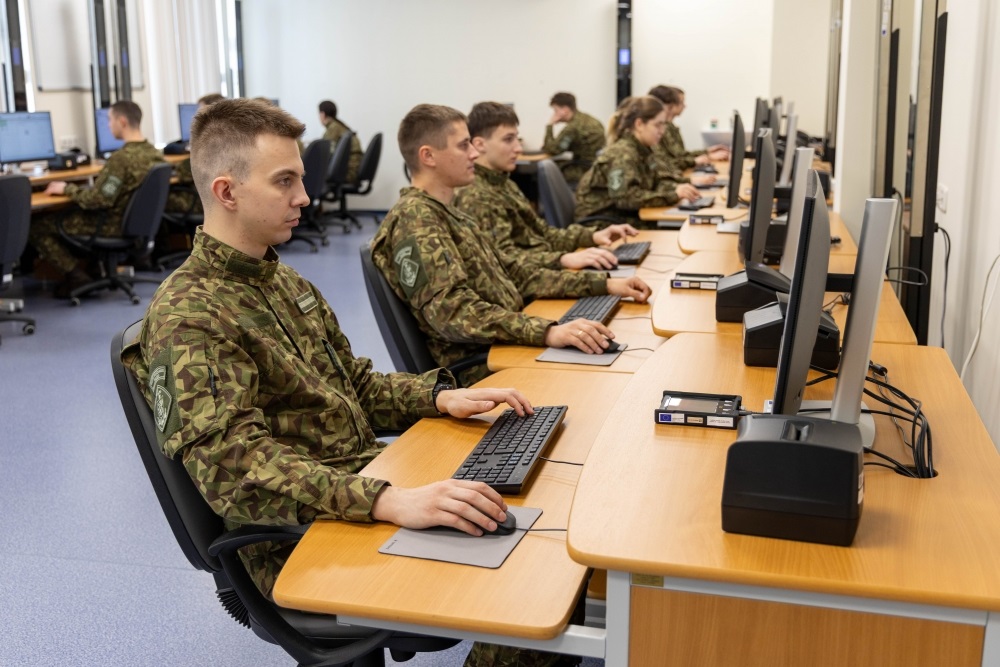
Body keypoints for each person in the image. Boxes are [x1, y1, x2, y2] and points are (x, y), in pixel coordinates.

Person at [121, 96, 535, 602]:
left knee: (527, 519)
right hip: (299, 539)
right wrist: (385, 501)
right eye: (284, 181)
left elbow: (354, 386)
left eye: (299, 179)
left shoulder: (284, 282)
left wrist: (439, 397)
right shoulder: (190, 314)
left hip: (357, 490)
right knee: (519, 582)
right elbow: (233, 467)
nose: (305, 197)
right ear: (227, 192)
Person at [371, 104, 651, 387]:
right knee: (615, 378)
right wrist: (546, 332)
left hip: (508, 340)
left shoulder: (448, 212)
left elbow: (516, 273)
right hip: (485, 366)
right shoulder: (415, 219)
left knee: (622, 354)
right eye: (463, 145)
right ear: (428, 156)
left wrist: (603, 284)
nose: (474, 153)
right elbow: (453, 313)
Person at [453, 101, 638, 271]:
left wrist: (593, 236)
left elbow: (542, 233)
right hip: (532, 280)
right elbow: (504, 262)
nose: (518, 148)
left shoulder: (505, 183)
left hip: (543, 269)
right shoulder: (477, 196)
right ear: (480, 144)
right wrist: (563, 260)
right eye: (508, 139)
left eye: (517, 139)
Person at [29, 100, 164, 298]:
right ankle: (93, 268)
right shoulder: (155, 154)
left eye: (110, 120)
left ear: (122, 121)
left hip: (112, 226)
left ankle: (76, 276)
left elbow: (99, 199)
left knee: (37, 227)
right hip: (137, 225)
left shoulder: (121, 159)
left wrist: (67, 188)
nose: (108, 125)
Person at [574, 96, 703, 226]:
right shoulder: (622, 154)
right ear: (639, 124)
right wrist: (673, 195)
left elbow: (655, 182)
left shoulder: (643, 149)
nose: (662, 131)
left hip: (622, 216)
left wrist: (677, 188)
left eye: (664, 125)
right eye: (658, 125)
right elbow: (625, 198)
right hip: (601, 223)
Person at [164, 93, 226, 215]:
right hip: (218, 201)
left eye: (199, 113)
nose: (196, 118)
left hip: (202, 203)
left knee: (156, 198)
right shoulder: (229, 141)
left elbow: (183, 172)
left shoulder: (209, 148)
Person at [648, 85, 729, 171]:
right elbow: (664, 164)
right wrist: (695, 161)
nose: (684, 106)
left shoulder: (669, 126)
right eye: (681, 102)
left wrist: (706, 152)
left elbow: (680, 155)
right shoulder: (654, 131)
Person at [541, 92, 606, 185]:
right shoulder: (590, 120)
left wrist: (550, 125)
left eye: (556, 110)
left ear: (565, 110)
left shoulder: (572, 127)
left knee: (548, 170)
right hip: (597, 168)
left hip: (583, 170)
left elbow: (553, 150)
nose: (554, 114)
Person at [318, 99, 363, 182]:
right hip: (353, 170)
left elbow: (325, 155)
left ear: (323, 114)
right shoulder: (339, 126)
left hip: (348, 173)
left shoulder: (333, 128)